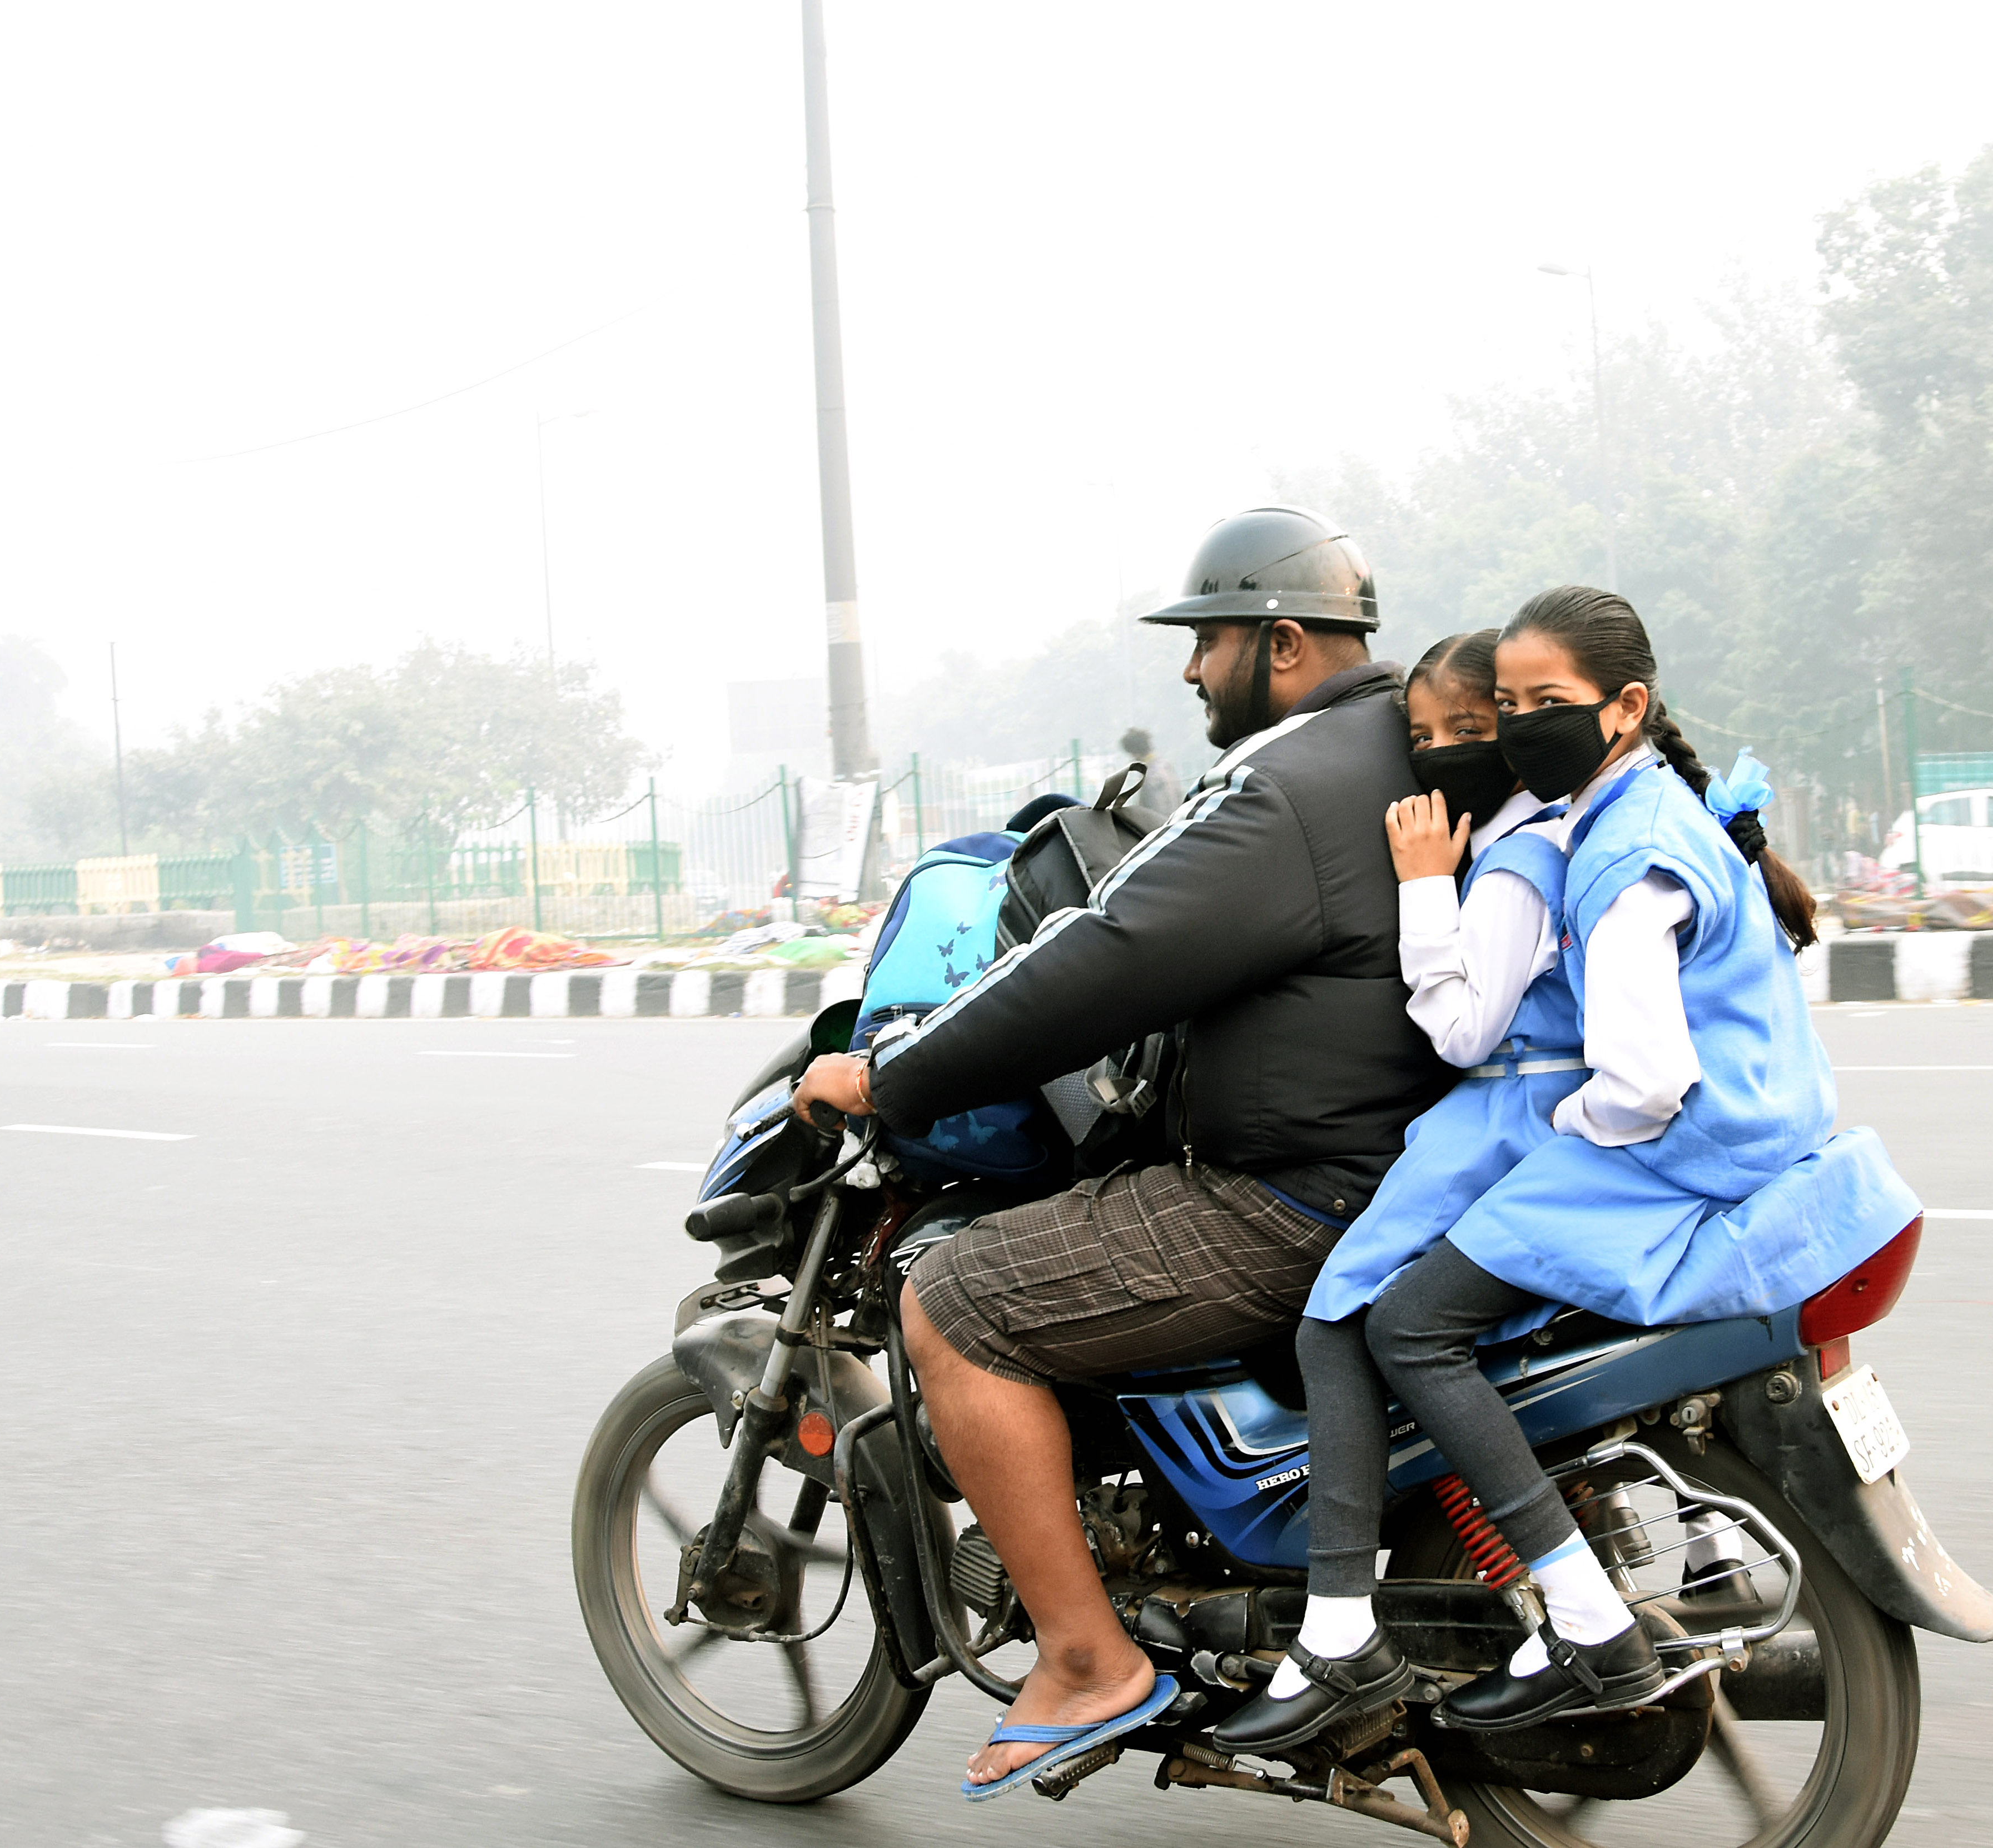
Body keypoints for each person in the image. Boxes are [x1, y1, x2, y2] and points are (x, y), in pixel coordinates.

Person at [789, 506, 1454, 1795]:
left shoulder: (1288, 791)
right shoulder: (1397, 746)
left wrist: (893, 1071)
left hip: (1292, 1195)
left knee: (959, 1300)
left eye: (1207, 641)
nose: (1192, 670)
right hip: (1407, 1168)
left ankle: (1090, 1658)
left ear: (1279, 641)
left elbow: (1099, 961)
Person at [1215, 584, 1919, 1747]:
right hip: (1742, 1122)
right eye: (1501, 706)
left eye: (1542, 705)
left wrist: (1548, 1148)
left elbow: (1632, 1079)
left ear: (1626, 707)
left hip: (1666, 1144)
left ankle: (1540, 1621)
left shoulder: (1602, 857)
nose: (1509, 729)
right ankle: (1393, 1618)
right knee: (1384, 1320)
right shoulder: (1622, 816)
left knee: (1395, 1326)